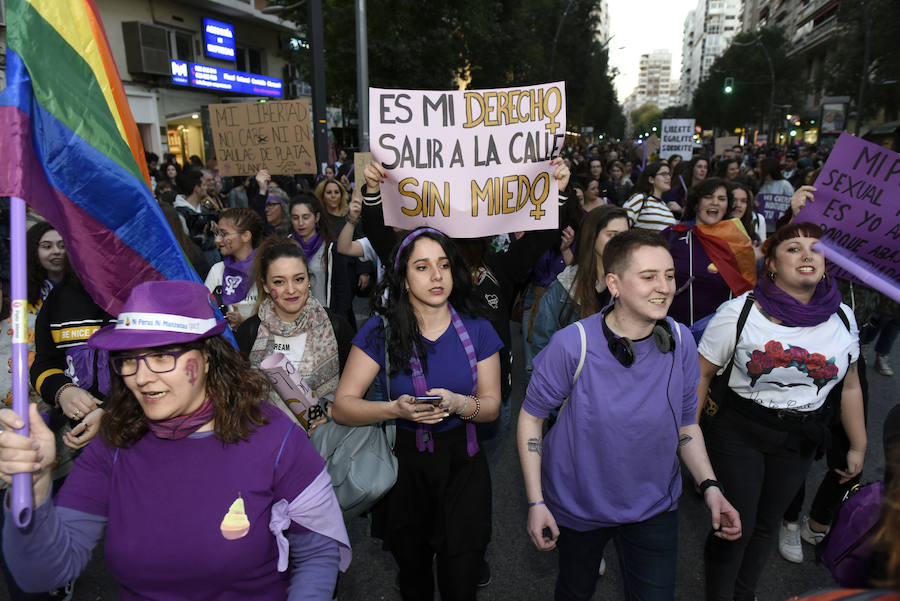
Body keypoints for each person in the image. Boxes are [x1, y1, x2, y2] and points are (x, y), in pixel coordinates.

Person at [0, 280, 351, 600]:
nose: (141, 377)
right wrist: (33, 493)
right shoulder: (113, 444)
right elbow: (42, 574)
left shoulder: (275, 436)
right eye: (129, 360)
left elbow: (318, 554)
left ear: (207, 358)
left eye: (161, 356)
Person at [519, 229, 741, 601]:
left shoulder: (681, 340)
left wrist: (711, 488)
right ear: (614, 284)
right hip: (579, 505)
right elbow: (531, 418)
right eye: (649, 276)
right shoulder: (573, 344)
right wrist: (536, 502)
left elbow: (687, 423)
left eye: (669, 275)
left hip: (654, 506)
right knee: (575, 591)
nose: (664, 287)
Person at [698, 222, 867, 601]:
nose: (807, 255)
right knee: (735, 525)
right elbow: (701, 377)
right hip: (739, 433)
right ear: (772, 264)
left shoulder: (843, 316)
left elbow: (851, 385)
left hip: (799, 439)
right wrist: (688, 443)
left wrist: (858, 444)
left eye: (816, 248)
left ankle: (744, 594)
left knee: (766, 525)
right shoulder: (739, 313)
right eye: (793, 248)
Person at [332, 228, 502, 601]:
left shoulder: (479, 329)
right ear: (404, 279)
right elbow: (342, 406)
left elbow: (491, 407)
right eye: (422, 267)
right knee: (414, 579)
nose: (436, 275)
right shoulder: (380, 330)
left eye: (444, 265)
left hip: (464, 466)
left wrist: (460, 404)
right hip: (405, 468)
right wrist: (393, 409)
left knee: (462, 584)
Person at [236, 237, 353, 413]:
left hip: (326, 429)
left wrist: (331, 411)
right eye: (279, 282)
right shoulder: (249, 332)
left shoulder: (336, 327)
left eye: (298, 279)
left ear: (308, 279)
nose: (291, 290)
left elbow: (353, 393)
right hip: (267, 427)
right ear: (265, 285)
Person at [531, 205, 628, 356]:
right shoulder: (562, 289)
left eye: (625, 236)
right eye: (612, 235)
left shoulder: (631, 285)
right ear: (592, 237)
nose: (620, 243)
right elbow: (542, 347)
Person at [661, 177, 756, 325]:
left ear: (727, 207)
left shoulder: (739, 242)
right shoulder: (672, 235)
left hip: (722, 331)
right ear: (696, 204)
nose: (715, 202)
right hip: (675, 330)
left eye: (721, 199)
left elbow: (747, 290)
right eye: (708, 197)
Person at [289, 196, 353, 324]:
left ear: (317, 217)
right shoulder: (286, 246)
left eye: (306, 217)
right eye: (295, 218)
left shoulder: (330, 247)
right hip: (294, 318)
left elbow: (343, 289)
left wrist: (337, 321)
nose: (300, 223)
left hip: (325, 317)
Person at [204, 208, 265, 329]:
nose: (217, 240)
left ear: (246, 236)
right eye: (217, 233)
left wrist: (244, 321)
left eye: (224, 234)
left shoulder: (266, 269)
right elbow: (204, 311)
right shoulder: (217, 270)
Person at [623, 162, 676, 232]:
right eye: (664, 174)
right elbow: (622, 224)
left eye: (669, 174)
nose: (669, 178)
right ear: (651, 179)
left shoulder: (664, 205)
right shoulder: (640, 198)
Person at [756, 156, 795, 234]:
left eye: (760, 168)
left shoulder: (784, 184)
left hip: (779, 228)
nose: (758, 170)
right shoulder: (760, 184)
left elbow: (792, 202)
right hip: (763, 227)